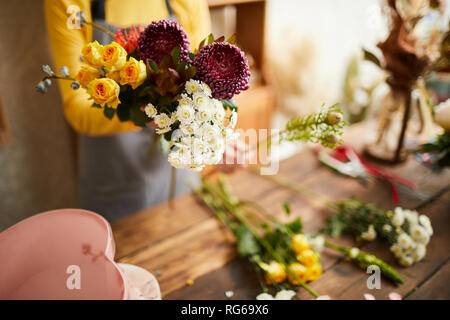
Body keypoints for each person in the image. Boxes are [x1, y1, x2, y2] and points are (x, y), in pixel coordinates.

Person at [44, 0, 214, 221]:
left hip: (178, 175)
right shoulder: (69, 4)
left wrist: (215, 132)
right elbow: (77, 107)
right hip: (114, 183)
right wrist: (146, 113)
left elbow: (203, 82)